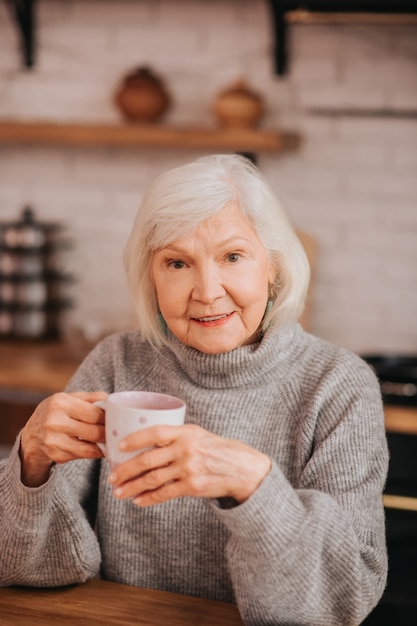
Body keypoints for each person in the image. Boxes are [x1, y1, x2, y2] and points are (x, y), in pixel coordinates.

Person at [0, 154, 388, 625]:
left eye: (232, 256)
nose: (206, 291)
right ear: (152, 277)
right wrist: (29, 468)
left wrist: (255, 489)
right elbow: (30, 568)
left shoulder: (338, 385)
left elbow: (338, 603)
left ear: (274, 268)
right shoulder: (115, 363)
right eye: (178, 262)